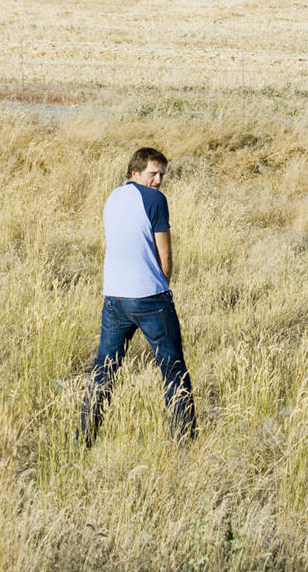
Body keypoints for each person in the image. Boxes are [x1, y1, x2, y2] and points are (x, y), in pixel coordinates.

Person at [80, 147, 196, 446]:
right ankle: (183, 439)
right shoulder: (155, 200)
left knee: (104, 368)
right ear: (135, 172)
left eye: (161, 175)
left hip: (115, 296)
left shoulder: (112, 197)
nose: (158, 180)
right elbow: (165, 254)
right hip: (149, 296)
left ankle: (85, 436)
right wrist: (162, 286)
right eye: (152, 174)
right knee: (173, 370)